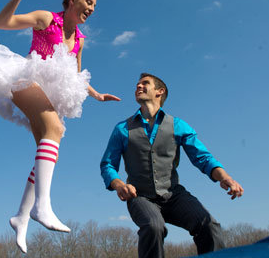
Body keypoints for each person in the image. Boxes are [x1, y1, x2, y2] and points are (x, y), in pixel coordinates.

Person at [0, 0, 120, 253]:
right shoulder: (47, 18)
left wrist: (97, 95)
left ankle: (21, 216)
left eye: (94, 6)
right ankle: (43, 207)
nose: (91, 9)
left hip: (47, 91)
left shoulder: (79, 39)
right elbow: (2, 23)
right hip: (22, 78)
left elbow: (75, 75)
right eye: (89, 2)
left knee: (50, 144)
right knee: (55, 129)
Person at [100, 73, 244, 258]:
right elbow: (108, 164)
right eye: (137, 84)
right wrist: (119, 185)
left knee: (208, 224)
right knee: (154, 226)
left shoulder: (178, 125)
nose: (138, 86)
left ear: (160, 92)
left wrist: (225, 177)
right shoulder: (122, 129)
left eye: (145, 83)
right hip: (141, 197)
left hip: (174, 194)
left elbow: (202, 157)